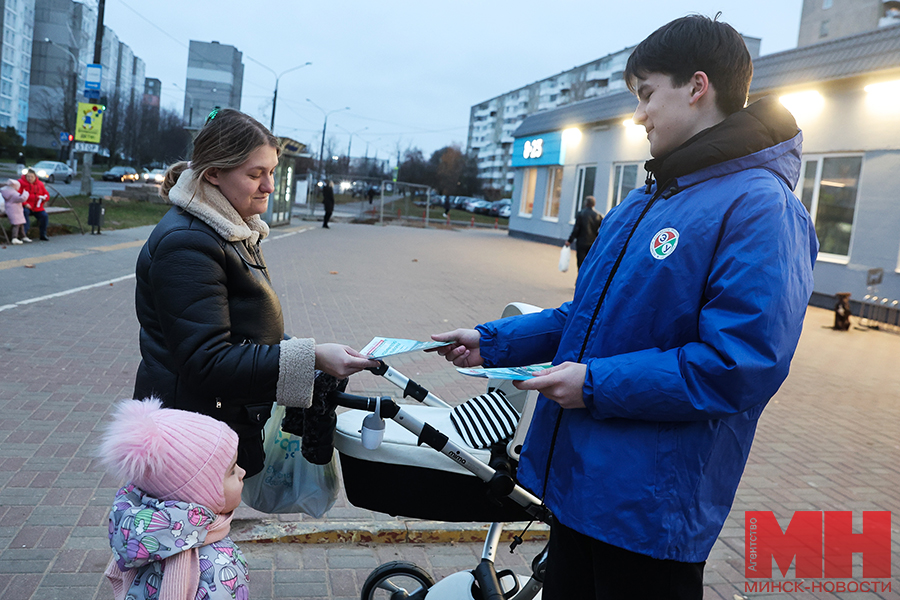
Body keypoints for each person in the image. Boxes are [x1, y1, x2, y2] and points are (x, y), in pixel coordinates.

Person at [432, 15, 817, 599]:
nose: (638, 115)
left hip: (649, 513)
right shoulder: (645, 200)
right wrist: (496, 341)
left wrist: (594, 385)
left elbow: (740, 365)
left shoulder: (761, 207)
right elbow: (586, 316)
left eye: (646, 94)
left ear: (696, 86)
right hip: (577, 487)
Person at [133, 108, 378, 478]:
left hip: (211, 425)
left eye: (272, 172)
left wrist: (311, 357)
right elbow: (207, 362)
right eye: (255, 174)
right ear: (213, 173)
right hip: (190, 442)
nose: (269, 186)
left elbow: (241, 332)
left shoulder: (229, 228)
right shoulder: (188, 243)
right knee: (186, 535)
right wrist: (310, 357)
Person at [100, 397, 249, 600]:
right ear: (199, 494)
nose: (242, 472)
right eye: (231, 471)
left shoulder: (143, 537)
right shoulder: (214, 564)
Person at [565, 195, 602, 270]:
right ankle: (586, 280)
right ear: (594, 204)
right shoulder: (598, 216)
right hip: (592, 243)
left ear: (586, 203)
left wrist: (569, 241)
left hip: (581, 243)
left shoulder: (581, 214)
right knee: (589, 263)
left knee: (581, 263)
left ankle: (580, 279)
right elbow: (601, 230)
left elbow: (576, 229)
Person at [20, 169, 50, 241]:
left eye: (31, 177)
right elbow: (18, 195)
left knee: (44, 216)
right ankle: (24, 234)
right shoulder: (21, 183)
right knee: (25, 212)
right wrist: (25, 203)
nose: (30, 178)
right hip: (26, 206)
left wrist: (44, 198)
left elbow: (46, 194)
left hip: (37, 207)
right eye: (28, 176)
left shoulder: (40, 184)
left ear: (35, 177)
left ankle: (43, 234)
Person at [1, 179, 30, 244]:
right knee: (16, 224)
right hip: (15, 211)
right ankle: (14, 238)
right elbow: (22, 198)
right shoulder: (13, 193)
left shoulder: (6, 191)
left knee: (20, 223)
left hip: (13, 210)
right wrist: (26, 193)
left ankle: (23, 236)